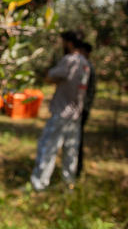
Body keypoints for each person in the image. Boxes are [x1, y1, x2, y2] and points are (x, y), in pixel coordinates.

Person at [30, 31, 91, 191]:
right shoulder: (85, 63)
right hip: (75, 114)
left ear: (69, 43)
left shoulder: (69, 60)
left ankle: (39, 184)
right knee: (71, 151)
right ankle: (68, 184)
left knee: (48, 148)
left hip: (61, 112)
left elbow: (50, 76)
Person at [76, 41, 96, 177]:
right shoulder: (88, 67)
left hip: (82, 109)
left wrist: (83, 108)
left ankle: (77, 169)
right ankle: (76, 168)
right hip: (83, 108)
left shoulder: (87, 68)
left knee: (77, 139)